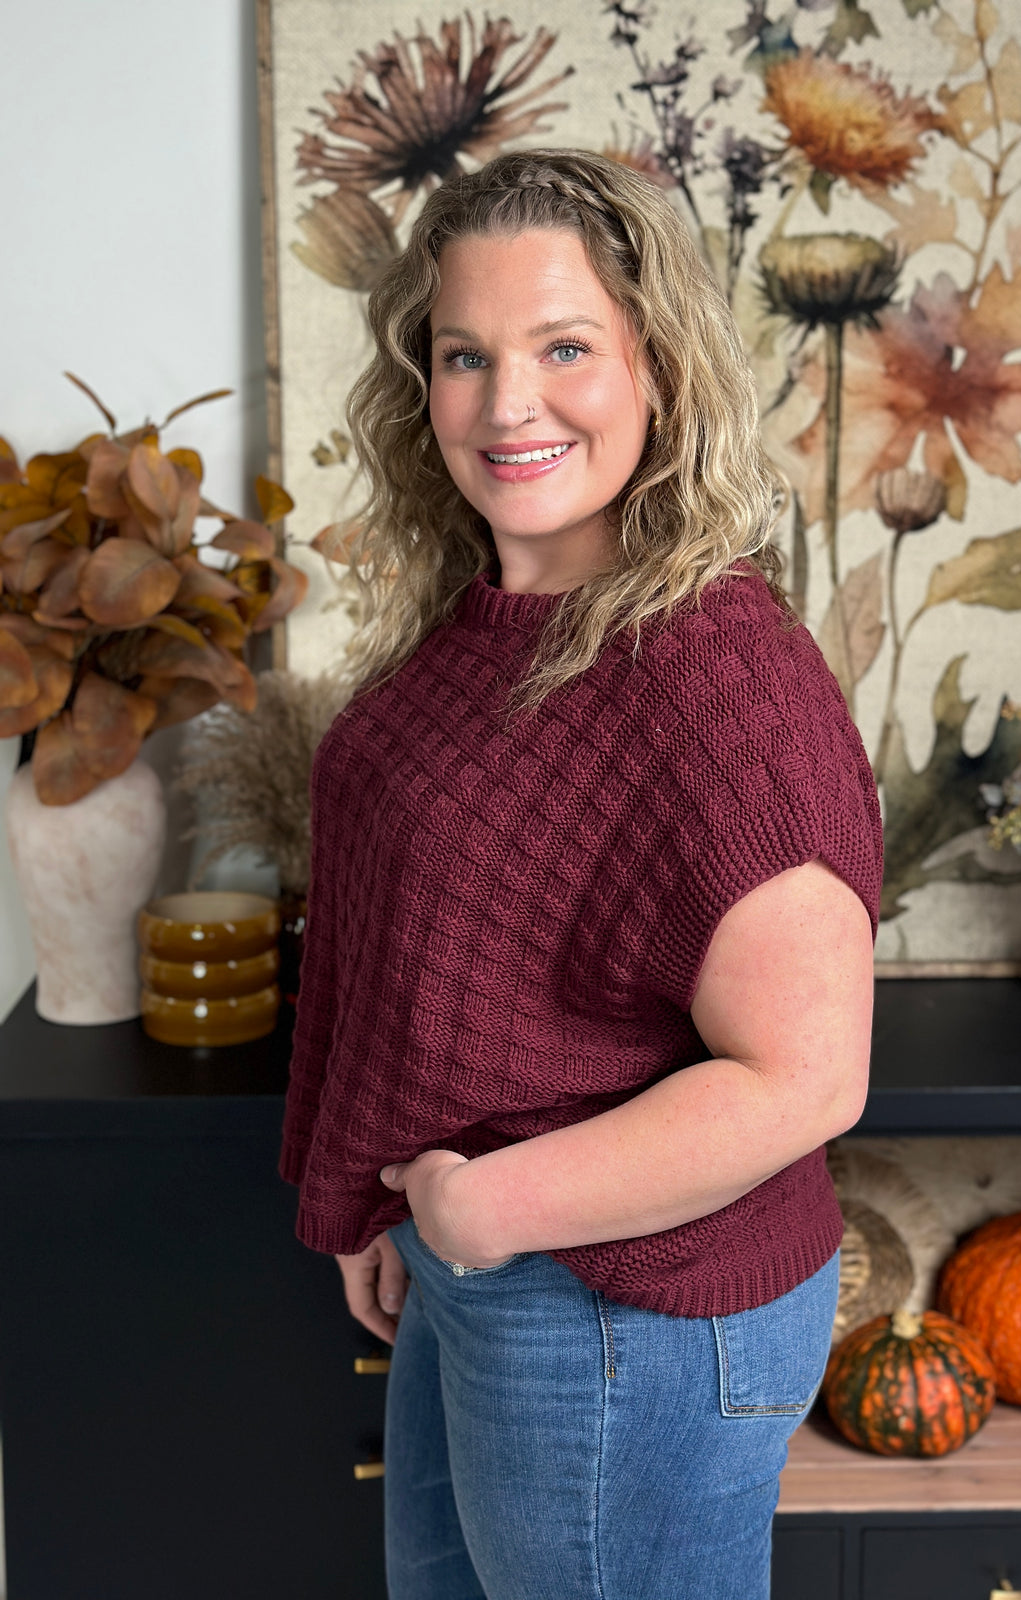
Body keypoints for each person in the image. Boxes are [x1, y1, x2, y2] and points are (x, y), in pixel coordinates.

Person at [280, 148, 882, 1600]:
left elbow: (808, 1080)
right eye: (463, 354)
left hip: (635, 1309)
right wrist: (394, 1201)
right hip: (490, 1268)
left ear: (658, 367)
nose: (507, 403)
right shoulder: (491, 617)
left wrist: (487, 1212)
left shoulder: (719, 674)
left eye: (565, 347)